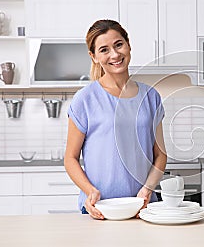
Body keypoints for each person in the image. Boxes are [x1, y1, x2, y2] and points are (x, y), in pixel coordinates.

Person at [64, 19, 167, 220]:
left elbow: (160, 155)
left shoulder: (151, 97)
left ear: (128, 45)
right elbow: (70, 158)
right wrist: (90, 191)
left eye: (118, 45)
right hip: (101, 209)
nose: (114, 54)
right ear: (93, 57)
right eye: (104, 50)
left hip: (143, 208)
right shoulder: (85, 99)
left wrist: (147, 189)